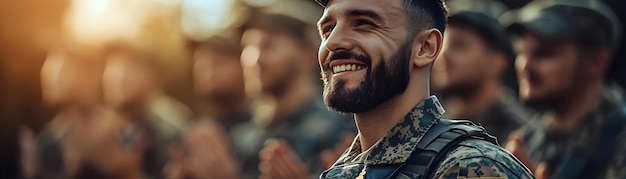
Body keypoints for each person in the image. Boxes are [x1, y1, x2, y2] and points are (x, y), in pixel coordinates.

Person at [313, 0, 534, 178]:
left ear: (425, 47)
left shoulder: (468, 167)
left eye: (364, 23)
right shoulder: (341, 172)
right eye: (328, 28)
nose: (333, 42)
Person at [504, 1, 626, 179]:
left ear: (596, 62)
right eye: (521, 53)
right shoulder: (527, 141)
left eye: (544, 53)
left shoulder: (619, 137)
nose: (525, 66)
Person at [233, 12, 354, 178]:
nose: (254, 59)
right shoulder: (241, 137)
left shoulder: (342, 131)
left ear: (306, 54)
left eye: (268, 46)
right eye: (247, 47)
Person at [432, 11, 529, 143]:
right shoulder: (429, 122)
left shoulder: (520, 136)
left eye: (459, 45)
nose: (443, 55)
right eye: (442, 45)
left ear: (497, 61)